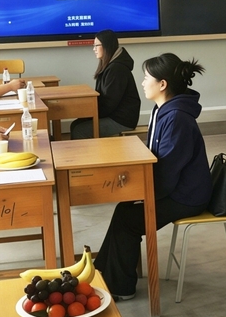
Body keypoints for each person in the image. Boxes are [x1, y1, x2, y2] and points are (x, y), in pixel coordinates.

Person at [93, 53, 212, 300]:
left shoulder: (177, 118)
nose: (143, 82)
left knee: (128, 218)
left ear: (162, 84)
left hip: (186, 196)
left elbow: (167, 171)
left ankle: (120, 288)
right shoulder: (164, 110)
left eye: (147, 78)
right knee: (125, 209)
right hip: (176, 188)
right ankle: (104, 273)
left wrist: (141, 192)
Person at [70, 29, 140, 139]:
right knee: (75, 124)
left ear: (107, 46)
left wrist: (91, 114)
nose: (94, 49)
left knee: (79, 130)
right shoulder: (109, 65)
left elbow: (109, 104)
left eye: (96, 45)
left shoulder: (117, 69)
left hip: (121, 120)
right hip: (112, 115)